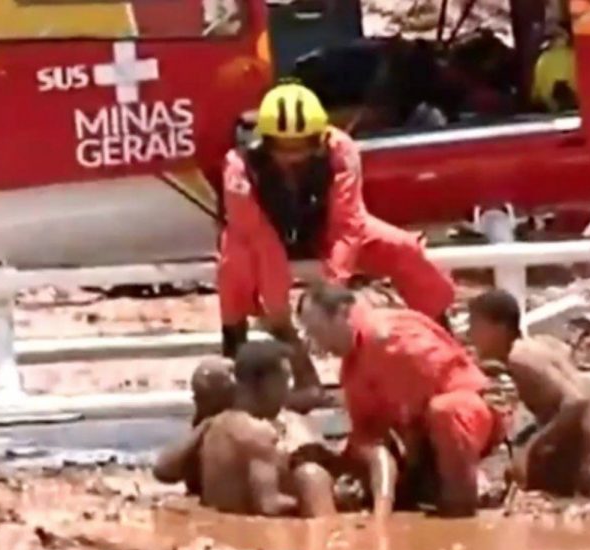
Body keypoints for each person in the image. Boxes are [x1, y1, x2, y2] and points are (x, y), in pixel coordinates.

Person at [217, 82, 456, 408]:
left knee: (405, 249)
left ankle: (445, 339)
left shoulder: (341, 150)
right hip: (261, 236)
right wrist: (279, 311)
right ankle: (238, 354)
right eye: (284, 149)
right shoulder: (239, 166)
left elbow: (348, 224)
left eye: (302, 147)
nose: (294, 157)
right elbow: (257, 235)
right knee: (232, 264)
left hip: (326, 231)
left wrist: (330, 293)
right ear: (266, 142)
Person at [297, 282, 508, 518]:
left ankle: (462, 503)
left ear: (342, 313)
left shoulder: (387, 335)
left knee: (444, 411)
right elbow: (367, 436)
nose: (318, 346)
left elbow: (432, 400)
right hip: (421, 437)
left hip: (468, 420)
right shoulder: (351, 369)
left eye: (317, 331)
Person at [467, 288, 590, 502]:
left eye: (475, 325)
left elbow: (577, 402)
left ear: (498, 327)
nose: (470, 334)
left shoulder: (520, 360)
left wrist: (531, 449)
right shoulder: (541, 345)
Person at [153, 343, 337, 517]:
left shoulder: (213, 426)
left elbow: (163, 470)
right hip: (260, 539)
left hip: (222, 528)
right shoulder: (259, 433)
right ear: (263, 384)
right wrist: (311, 500)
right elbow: (268, 506)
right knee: (313, 479)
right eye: (285, 379)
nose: (289, 388)